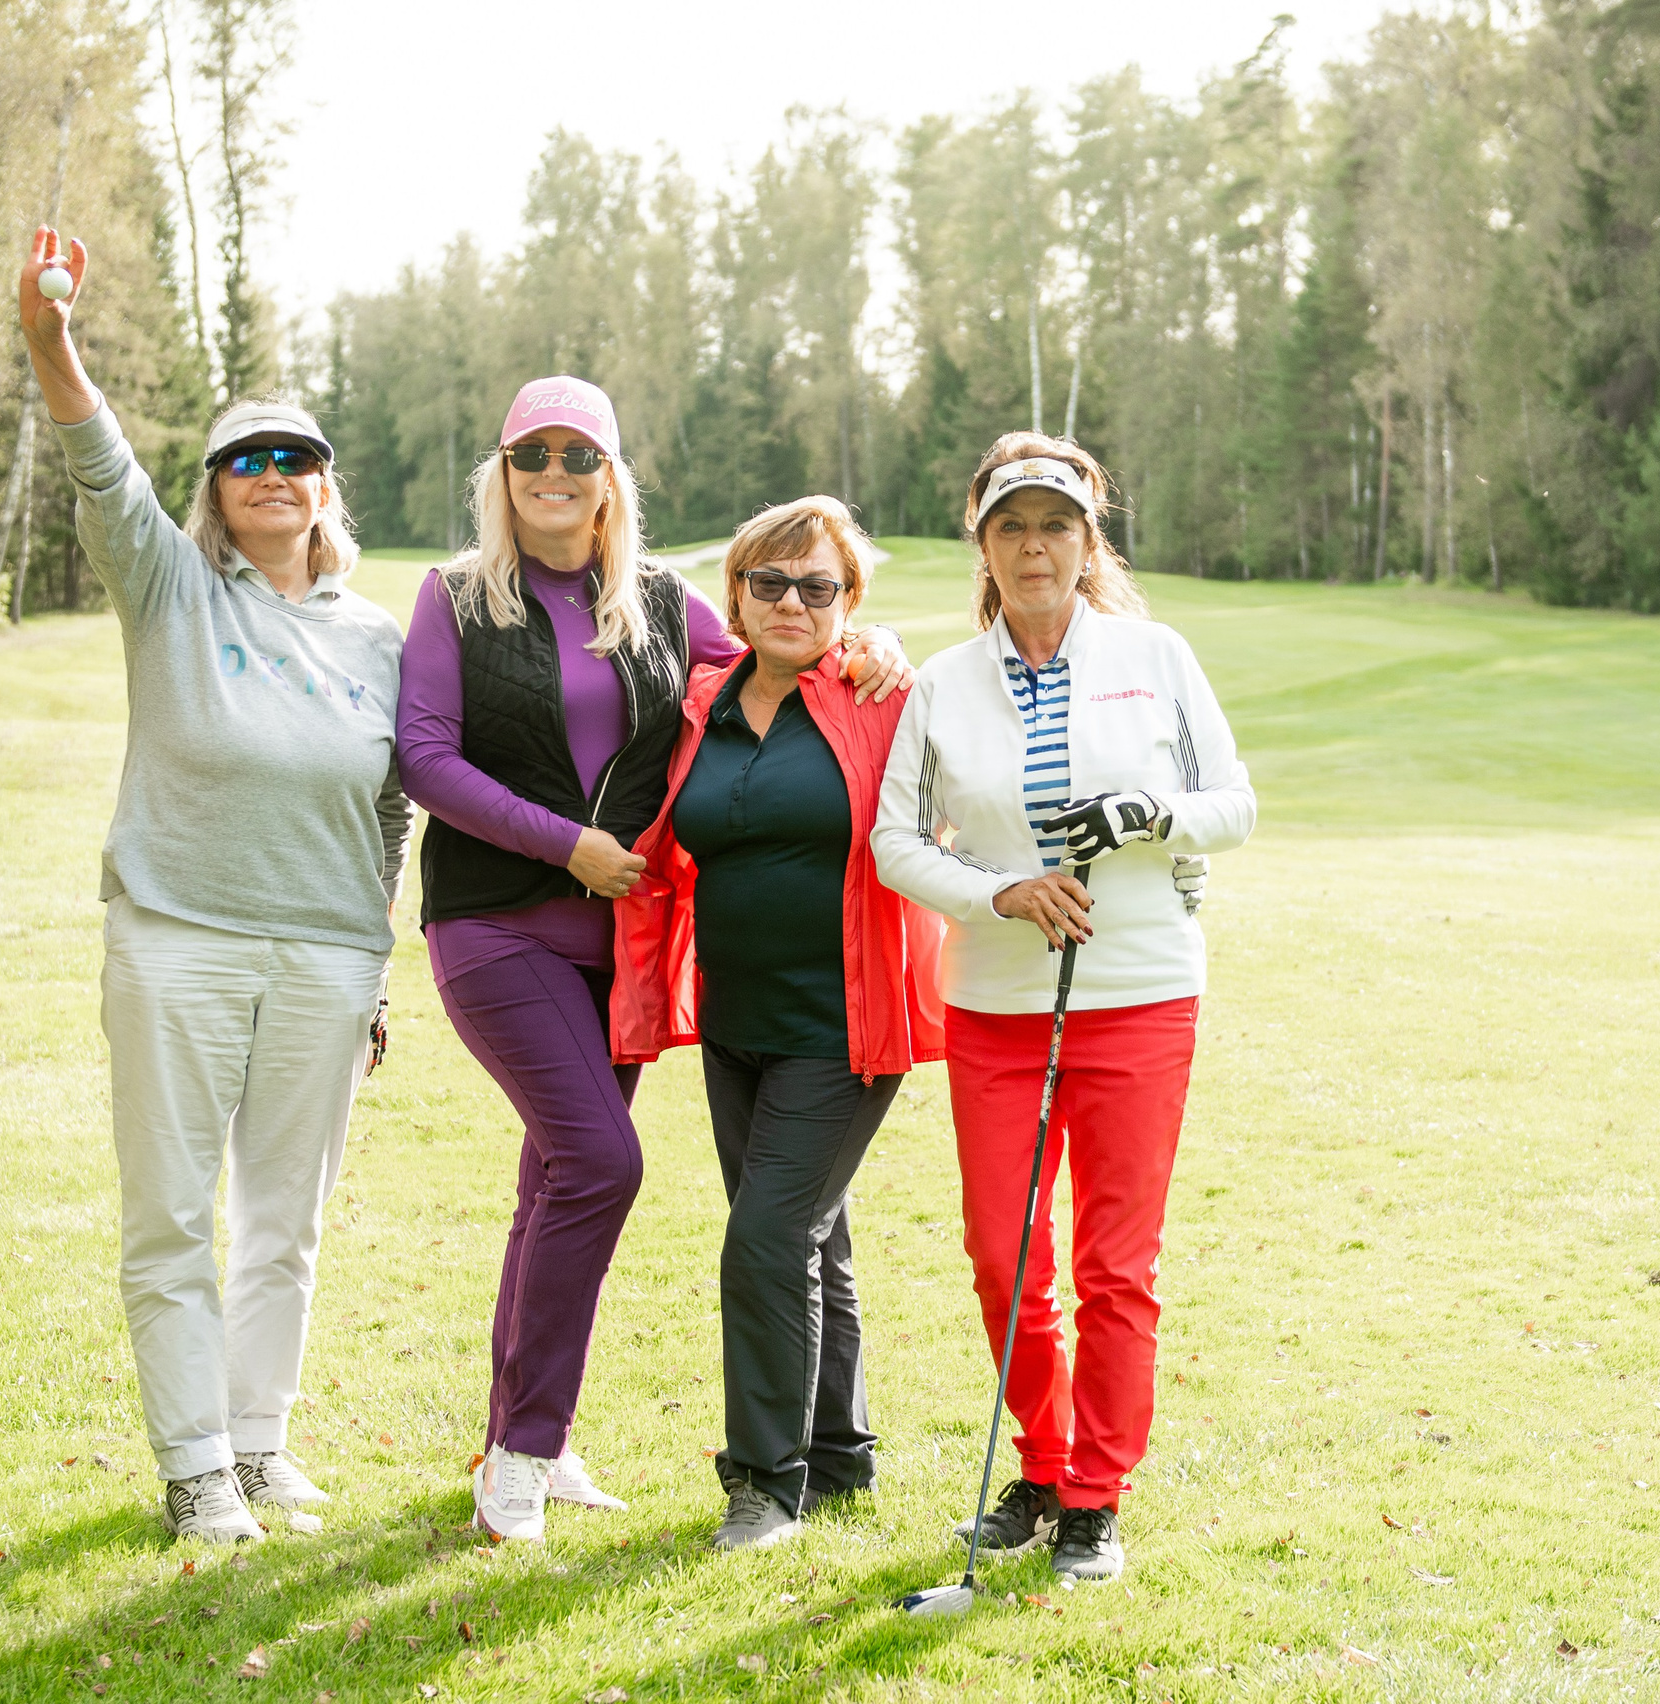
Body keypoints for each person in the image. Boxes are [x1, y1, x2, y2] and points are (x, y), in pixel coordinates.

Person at [395, 376, 913, 1544]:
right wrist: (564, 844)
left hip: (616, 951)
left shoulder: (664, 603)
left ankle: (528, 1435)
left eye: (579, 455)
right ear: (503, 471)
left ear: (610, 477)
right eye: (534, 453)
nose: (555, 474)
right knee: (599, 1162)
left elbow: (784, 652)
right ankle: (523, 1453)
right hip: (493, 927)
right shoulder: (456, 598)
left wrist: (871, 643)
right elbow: (424, 757)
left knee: (553, 1183)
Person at [16, 227, 409, 1545]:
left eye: (296, 459)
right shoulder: (170, 585)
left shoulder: (376, 637)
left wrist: (374, 967)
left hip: (326, 959)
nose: (274, 477)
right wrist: (53, 340)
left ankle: (257, 1443)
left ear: (325, 487)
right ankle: (193, 1469)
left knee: (284, 1219)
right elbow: (99, 462)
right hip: (178, 939)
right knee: (175, 1215)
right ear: (214, 489)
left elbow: (393, 806)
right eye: (248, 460)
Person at [871, 434, 1255, 1583]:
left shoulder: (1153, 655)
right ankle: (1039, 1465)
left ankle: (1092, 1495)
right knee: (1003, 1257)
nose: (1033, 547)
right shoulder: (943, 683)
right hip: (995, 1004)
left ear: (1088, 544)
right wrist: (1000, 891)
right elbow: (896, 842)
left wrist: (1148, 814)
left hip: (1138, 995)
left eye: (1054, 526)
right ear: (983, 547)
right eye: (1011, 528)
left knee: (1114, 1266)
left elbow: (1232, 804)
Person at [609, 497, 945, 1551]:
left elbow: (951, 808)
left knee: (765, 1235)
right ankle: (840, 1456)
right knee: (808, 1235)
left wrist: (886, 650)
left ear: (850, 603)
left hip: (845, 1024)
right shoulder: (704, 701)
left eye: (818, 587)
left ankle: (763, 1482)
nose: (792, 603)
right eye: (770, 583)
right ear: (738, 595)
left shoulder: (882, 698)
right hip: (735, 1022)